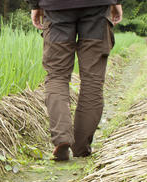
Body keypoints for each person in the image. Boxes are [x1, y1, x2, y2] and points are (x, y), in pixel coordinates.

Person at [26, 0, 123, 161]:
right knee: (92, 80)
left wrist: (35, 4)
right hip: (97, 8)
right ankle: (81, 147)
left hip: (56, 8)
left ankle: (62, 138)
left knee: (57, 76)